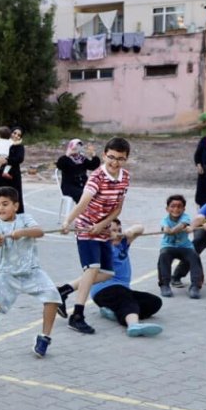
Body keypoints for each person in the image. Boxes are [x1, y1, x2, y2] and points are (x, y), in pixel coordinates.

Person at [0, 187, 62, 370]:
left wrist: (21, 232)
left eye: (5, 204)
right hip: (6, 273)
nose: (0, 208)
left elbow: (39, 231)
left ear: (16, 206)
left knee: (52, 297)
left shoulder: (25, 219)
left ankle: (44, 337)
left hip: (32, 271)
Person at [60, 137, 132, 335]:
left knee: (108, 273)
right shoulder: (97, 177)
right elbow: (82, 203)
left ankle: (63, 291)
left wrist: (101, 225)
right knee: (92, 269)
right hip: (85, 227)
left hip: (103, 229)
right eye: (111, 157)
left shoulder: (125, 177)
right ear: (104, 155)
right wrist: (68, 221)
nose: (115, 162)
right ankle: (77, 315)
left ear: (126, 159)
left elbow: (117, 209)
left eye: (120, 158)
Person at [87, 220, 163, 336]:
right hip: (104, 289)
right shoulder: (102, 247)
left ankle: (115, 312)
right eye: (113, 230)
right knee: (127, 300)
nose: (117, 233)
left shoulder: (122, 243)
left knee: (154, 302)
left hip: (122, 289)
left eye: (119, 230)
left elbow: (140, 227)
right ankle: (133, 325)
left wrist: (130, 231)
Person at [156, 194, 203, 298]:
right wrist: (166, 229)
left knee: (194, 256)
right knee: (163, 255)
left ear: (183, 208)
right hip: (168, 246)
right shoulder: (165, 220)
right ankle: (164, 285)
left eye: (179, 206)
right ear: (167, 208)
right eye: (172, 206)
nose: (176, 209)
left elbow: (182, 225)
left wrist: (172, 231)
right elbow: (165, 227)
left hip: (185, 247)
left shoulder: (185, 217)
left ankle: (195, 286)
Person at [0, 127, 25, 221]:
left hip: (11, 176)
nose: (16, 136)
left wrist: (6, 161)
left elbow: (19, 159)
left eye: (19, 135)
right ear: (10, 133)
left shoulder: (19, 146)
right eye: (14, 133)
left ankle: (14, 216)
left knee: (11, 196)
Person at [56, 139, 99, 222]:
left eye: (79, 146)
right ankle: (85, 217)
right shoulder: (66, 159)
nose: (76, 148)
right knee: (82, 195)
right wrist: (67, 154)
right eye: (75, 146)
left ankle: (93, 215)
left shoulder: (82, 159)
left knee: (93, 192)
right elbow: (59, 165)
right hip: (69, 186)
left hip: (82, 185)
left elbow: (93, 166)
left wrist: (93, 154)